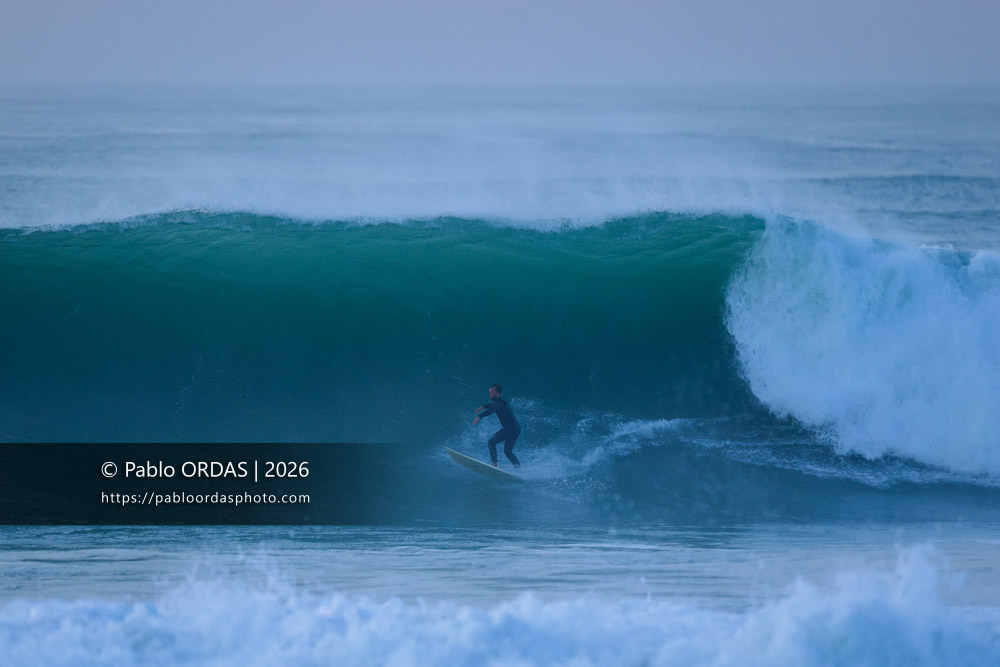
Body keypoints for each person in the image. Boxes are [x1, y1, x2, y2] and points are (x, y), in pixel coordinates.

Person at [473, 383, 521, 467]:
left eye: (492, 392)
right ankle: (518, 467)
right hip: (516, 429)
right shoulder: (502, 402)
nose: (489, 394)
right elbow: (493, 405)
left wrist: (479, 416)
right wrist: (484, 406)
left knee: (491, 443)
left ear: (497, 393)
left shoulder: (499, 403)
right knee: (508, 451)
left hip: (510, 428)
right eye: (489, 392)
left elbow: (491, 410)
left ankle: (494, 464)